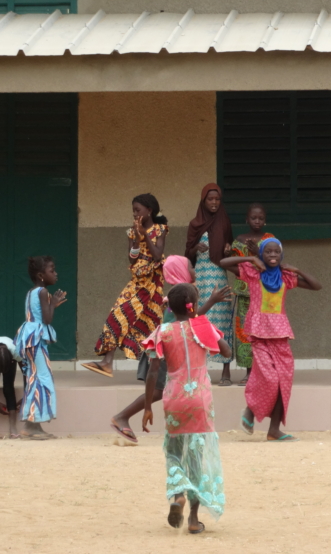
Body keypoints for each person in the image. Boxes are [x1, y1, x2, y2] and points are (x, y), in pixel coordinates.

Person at [109, 255, 232, 443]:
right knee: (159, 392)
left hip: (171, 352)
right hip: (166, 353)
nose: (194, 269)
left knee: (165, 391)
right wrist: (211, 302)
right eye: (191, 266)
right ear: (180, 272)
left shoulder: (180, 294)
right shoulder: (175, 299)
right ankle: (121, 416)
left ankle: (124, 417)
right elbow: (185, 321)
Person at [142, 283, 230, 534]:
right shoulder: (202, 326)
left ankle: (178, 494)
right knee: (196, 458)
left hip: (174, 399)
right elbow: (226, 351)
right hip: (200, 400)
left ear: (170, 306)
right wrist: (204, 325)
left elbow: (153, 372)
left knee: (174, 450)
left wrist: (148, 407)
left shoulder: (162, 332)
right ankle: (193, 519)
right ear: (193, 304)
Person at [220, 238, 322, 442]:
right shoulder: (252, 272)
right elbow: (223, 263)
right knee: (270, 379)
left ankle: (273, 430)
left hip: (280, 335)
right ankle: (250, 410)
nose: (273, 256)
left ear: (281, 255)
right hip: (258, 335)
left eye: (276, 252)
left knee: (283, 381)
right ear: (262, 254)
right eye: (268, 252)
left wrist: (298, 270)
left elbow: (316, 286)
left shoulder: (286, 277)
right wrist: (251, 258)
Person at [83, 193, 168, 378]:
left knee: (150, 325)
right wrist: (137, 238)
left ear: (149, 210)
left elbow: (157, 255)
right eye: (133, 212)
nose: (135, 214)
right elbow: (131, 257)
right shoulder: (131, 231)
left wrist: (145, 235)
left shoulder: (160, 229)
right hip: (136, 283)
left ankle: (157, 371)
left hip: (151, 286)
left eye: (138, 210)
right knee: (117, 314)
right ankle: (107, 362)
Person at [185, 183, 234, 386]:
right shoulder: (195, 223)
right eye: (210, 199)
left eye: (217, 199)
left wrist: (229, 251)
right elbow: (187, 254)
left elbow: (228, 251)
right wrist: (196, 247)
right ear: (203, 201)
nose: (214, 203)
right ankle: (199, 370)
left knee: (221, 321)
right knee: (200, 320)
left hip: (218, 276)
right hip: (201, 278)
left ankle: (225, 371)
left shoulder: (224, 222)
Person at [15, 256, 67, 439]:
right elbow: (47, 320)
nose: (55, 273)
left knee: (34, 378)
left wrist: (52, 305)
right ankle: (32, 425)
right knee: (42, 378)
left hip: (30, 339)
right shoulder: (43, 292)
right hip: (36, 340)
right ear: (41, 275)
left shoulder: (31, 292)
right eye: (51, 271)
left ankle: (33, 425)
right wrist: (53, 304)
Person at [230, 203, 275, 386]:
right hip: (244, 294)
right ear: (246, 219)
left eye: (261, 218)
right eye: (253, 218)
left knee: (263, 333)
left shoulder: (269, 240)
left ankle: (263, 372)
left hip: (264, 294)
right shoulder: (239, 240)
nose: (257, 221)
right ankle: (249, 372)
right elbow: (231, 263)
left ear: (265, 221)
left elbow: (274, 262)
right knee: (245, 333)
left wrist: (258, 252)